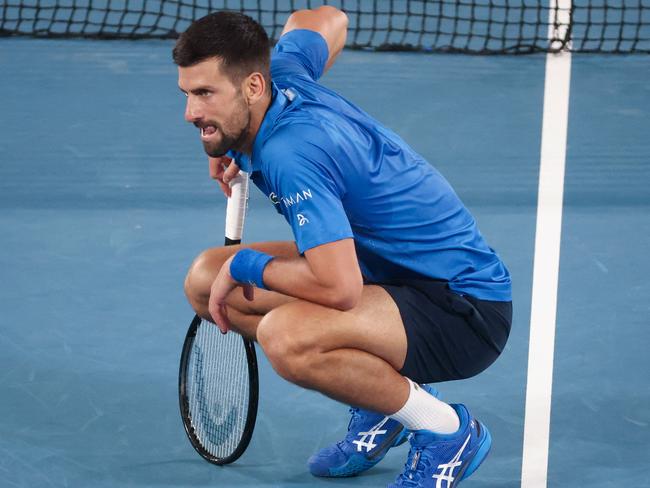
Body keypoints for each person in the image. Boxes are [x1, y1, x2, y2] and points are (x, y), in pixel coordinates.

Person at [174, 6, 512, 487]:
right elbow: (326, 18)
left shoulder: (292, 153)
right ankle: (382, 405)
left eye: (206, 94)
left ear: (252, 86)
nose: (191, 113)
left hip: (461, 307)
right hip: (385, 271)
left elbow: (338, 288)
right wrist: (226, 138)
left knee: (286, 337)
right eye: (188, 94)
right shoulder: (282, 72)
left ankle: (446, 431)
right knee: (207, 278)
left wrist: (249, 264)